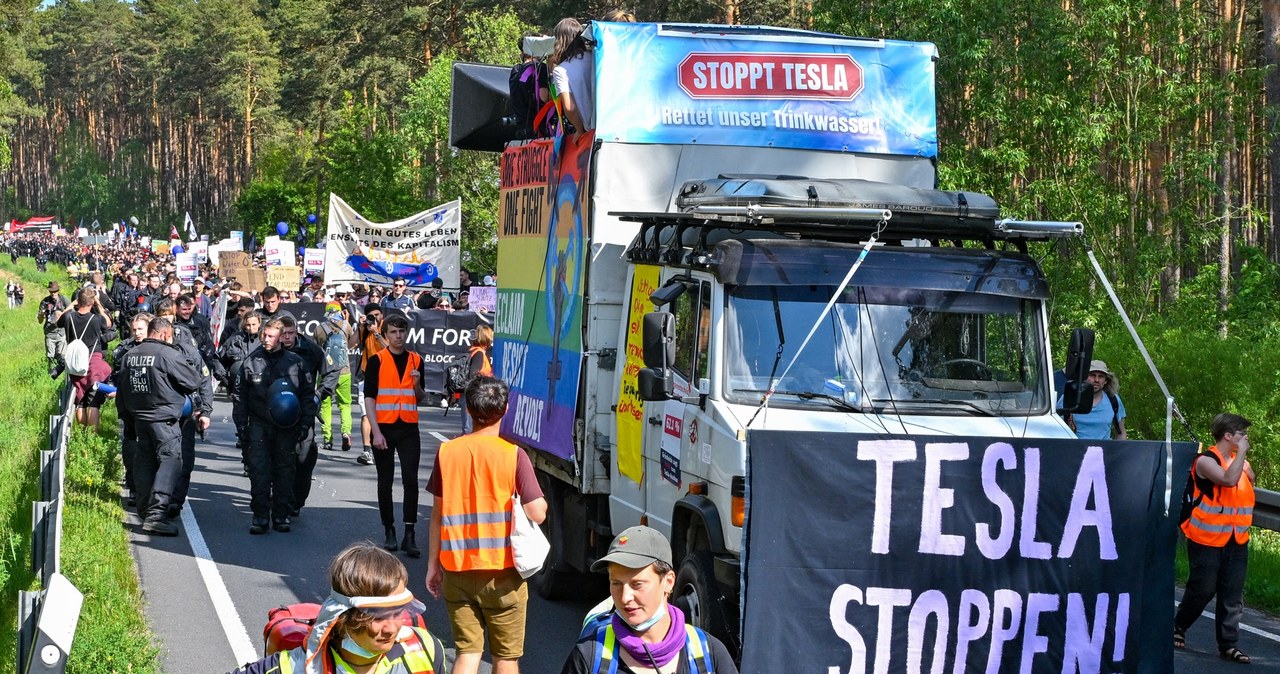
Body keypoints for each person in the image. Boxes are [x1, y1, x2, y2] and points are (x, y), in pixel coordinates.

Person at [426, 376, 546, 674]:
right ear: (506, 410)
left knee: (467, 653)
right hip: (503, 574)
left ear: (467, 409)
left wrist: (433, 565)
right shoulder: (513, 455)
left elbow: (437, 515)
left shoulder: (447, 453)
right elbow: (538, 513)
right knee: (505, 658)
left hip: (457, 569)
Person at [228, 541, 449, 674]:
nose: (392, 628)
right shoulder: (292, 668)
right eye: (378, 617)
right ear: (343, 616)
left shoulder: (427, 648)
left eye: (398, 611)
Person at [559, 526, 739, 674]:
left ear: (668, 582)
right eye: (616, 583)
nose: (624, 597)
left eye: (637, 584)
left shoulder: (709, 653)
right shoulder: (588, 656)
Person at [1175, 413, 1256, 664]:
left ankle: (1228, 645)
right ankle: (1179, 626)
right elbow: (1228, 480)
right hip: (1206, 537)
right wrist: (1240, 456)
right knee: (1203, 589)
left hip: (1236, 537)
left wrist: (1241, 461)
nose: (1246, 438)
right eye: (1241, 433)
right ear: (1228, 436)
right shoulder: (1205, 461)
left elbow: (1248, 481)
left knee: (1233, 594)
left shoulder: (1239, 462)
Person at [116, 317, 203, 536]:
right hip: (163, 419)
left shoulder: (129, 356)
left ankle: (145, 510)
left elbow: (122, 389)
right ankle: (156, 515)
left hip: (138, 418)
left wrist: (127, 418)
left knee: (144, 460)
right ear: (164, 334)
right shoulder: (167, 354)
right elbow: (193, 381)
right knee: (171, 460)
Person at [363, 313, 427, 556]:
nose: (398, 336)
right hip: (385, 429)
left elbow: (420, 398)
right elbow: (369, 397)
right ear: (386, 334)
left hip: (409, 427)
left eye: (402, 331)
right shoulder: (377, 360)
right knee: (385, 481)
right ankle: (389, 530)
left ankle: (409, 534)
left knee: (411, 481)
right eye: (393, 332)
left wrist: (417, 385)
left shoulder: (416, 360)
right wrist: (375, 432)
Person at [240, 317, 309, 534]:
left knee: (284, 471)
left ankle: (281, 515)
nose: (266, 339)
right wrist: (242, 428)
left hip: (287, 427)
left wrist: (305, 424)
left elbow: (306, 396)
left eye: (271, 336)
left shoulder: (295, 362)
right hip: (259, 424)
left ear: (281, 338)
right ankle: (260, 516)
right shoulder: (251, 361)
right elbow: (240, 397)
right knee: (259, 470)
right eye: (264, 335)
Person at [279, 313, 338, 516]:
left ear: (297, 331)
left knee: (303, 459)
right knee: (278, 459)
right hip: (276, 413)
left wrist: (320, 394)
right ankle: (280, 499)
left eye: (290, 333)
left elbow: (331, 371)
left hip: (303, 412)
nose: (286, 337)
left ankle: (296, 501)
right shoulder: (270, 349)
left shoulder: (311, 349)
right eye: (283, 333)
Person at [57, 287, 115, 427]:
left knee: (80, 400)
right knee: (93, 402)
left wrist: (72, 304)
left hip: (75, 362)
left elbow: (59, 320)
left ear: (78, 301)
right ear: (91, 303)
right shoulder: (96, 319)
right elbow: (108, 323)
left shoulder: (69, 317)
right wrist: (98, 304)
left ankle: (83, 433)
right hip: (93, 360)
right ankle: (92, 436)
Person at [220, 311, 263, 470]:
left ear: (259, 324)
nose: (251, 328)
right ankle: (247, 460)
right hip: (239, 391)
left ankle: (257, 461)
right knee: (243, 427)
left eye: (254, 324)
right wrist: (224, 378)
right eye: (248, 324)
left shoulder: (265, 340)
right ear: (244, 324)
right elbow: (219, 359)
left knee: (258, 429)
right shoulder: (235, 340)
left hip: (259, 392)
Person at [316, 302, 357, 452]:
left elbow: (316, 349)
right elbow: (351, 344)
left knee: (325, 406)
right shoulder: (346, 326)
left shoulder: (320, 328)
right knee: (345, 405)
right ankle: (346, 431)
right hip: (344, 371)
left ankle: (328, 439)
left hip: (326, 373)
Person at [549, 18, 595, 135]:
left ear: (559, 41)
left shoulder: (561, 71)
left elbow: (570, 108)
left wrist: (579, 130)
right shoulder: (596, 58)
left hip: (589, 134)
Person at [356, 303, 388, 466]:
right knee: (365, 414)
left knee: (382, 415)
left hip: (385, 376)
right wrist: (359, 327)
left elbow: (390, 348)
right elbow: (350, 344)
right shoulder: (364, 328)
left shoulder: (386, 327)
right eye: (371, 315)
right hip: (366, 375)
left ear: (381, 314)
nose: (374, 318)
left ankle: (382, 446)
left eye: (377, 314)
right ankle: (366, 450)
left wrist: (376, 333)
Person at [1064, 359, 1127, 440]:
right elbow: (1056, 429)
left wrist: (1118, 452)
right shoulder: (1070, 398)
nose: (1096, 380)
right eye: (1092, 375)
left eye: (1101, 376)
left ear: (1105, 381)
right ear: (1084, 377)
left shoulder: (1113, 400)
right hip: (1074, 450)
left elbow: (1121, 432)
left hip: (1103, 451)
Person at [460, 325, 494, 432]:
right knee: (469, 429)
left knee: (468, 427)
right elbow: (473, 374)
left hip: (469, 394)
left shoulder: (472, 350)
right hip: (473, 394)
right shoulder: (479, 353)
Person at [38, 281, 69, 377]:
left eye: (55, 291)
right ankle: (50, 375)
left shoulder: (64, 300)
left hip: (61, 332)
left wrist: (62, 315)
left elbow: (71, 314)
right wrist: (42, 314)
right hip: (50, 333)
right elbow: (39, 321)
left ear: (58, 291)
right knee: (50, 357)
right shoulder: (45, 302)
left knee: (62, 356)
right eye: (51, 291)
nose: (53, 294)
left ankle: (63, 375)